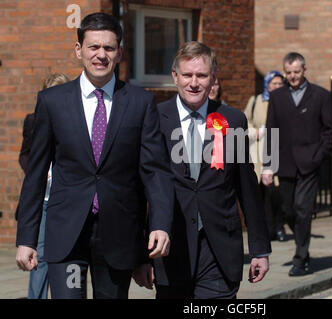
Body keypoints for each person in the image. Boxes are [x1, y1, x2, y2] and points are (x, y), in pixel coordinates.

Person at [15, 12, 174, 299]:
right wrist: (27, 238)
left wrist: (160, 224)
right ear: (79, 50)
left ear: (120, 53)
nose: (101, 55)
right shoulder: (53, 102)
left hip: (118, 236)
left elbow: (155, 171)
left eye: (109, 48)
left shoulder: (140, 103)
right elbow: (36, 174)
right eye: (93, 47)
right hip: (68, 236)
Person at [153, 41, 271, 299]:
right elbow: (142, 188)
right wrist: (139, 257)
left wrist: (259, 248)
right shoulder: (154, 118)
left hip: (219, 250)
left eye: (202, 75)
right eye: (187, 75)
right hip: (172, 248)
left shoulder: (234, 120)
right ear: (175, 76)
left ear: (213, 78)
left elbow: (246, 188)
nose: (194, 83)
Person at [262, 52, 332, 277]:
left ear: (305, 70)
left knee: (303, 210)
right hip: (284, 164)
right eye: (289, 72)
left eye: (296, 72)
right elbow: (271, 131)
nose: (293, 76)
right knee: (288, 211)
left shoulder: (321, 96)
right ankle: (303, 244)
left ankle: (300, 258)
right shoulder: (277, 97)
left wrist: (319, 156)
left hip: (309, 164)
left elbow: (329, 131)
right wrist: (267, 165)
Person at [19, 73, 70, 299]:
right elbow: (26, 154)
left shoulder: (75, 123)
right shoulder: (33, 119)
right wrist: (38, 173)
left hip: (66, 199)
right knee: (38, 256)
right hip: (44, 197)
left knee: (65, 261)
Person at [244, 70, 285, 241]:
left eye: (279, 83)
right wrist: (257, 132)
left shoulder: (285, 100)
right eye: (273, 83)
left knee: (277, 192)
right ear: (267, 84)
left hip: (279, 148)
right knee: (262, 192)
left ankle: (279, 226)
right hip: (259, 150)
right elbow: (245, 122)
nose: (276, 86)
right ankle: (267, 229)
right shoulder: (256, 101)